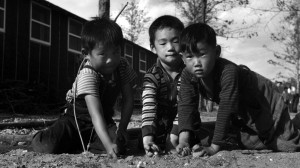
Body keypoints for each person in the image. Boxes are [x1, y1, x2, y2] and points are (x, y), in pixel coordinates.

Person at [176, 22, 300, 157]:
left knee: (288, 145)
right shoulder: (187, 75)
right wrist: (183, 141)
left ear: (217, 52)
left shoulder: (228, 71)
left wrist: (214, 147)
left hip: (267, 103)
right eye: (189, 57)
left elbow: (226, 107)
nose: (196, 63)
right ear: (182, 58)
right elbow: (185, 106)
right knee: (204, 135)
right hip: (244, 115)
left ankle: (296, 123)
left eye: (202, 54)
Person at [31, 18, 137, 158]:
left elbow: (129, 99)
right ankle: (44, 136)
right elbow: (95, 114)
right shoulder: (88, 74)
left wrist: (122, 128)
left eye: (116, 52)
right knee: (46, 145)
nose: (110, 59)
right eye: (102, 54)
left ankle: (82, 142)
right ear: (86, 53)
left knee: (119, 146)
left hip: (103, 120)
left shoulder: (122, 66)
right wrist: (107, 144)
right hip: (75, 120)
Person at [141, 15, 185, 157]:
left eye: (175, 41)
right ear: (153, 48)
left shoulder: (188, 74)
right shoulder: (152, 76)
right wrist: (147, 136)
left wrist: (174, 136)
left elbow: (187, 106)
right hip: (159, 123)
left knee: (198, 136)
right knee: (147, 140)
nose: (170, 47)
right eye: (163, 43)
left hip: (184, 121)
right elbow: (149, 105)